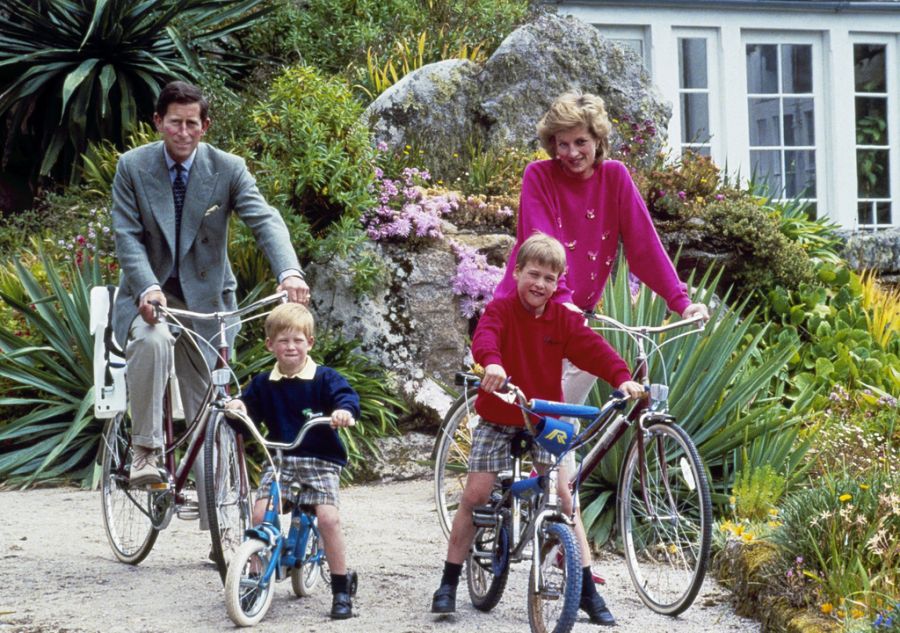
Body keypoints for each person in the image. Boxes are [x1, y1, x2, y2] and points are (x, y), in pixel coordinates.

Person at [430, 233, 644, 626]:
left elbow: (592, 349)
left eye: (549, 278)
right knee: (476, 494)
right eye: (533, 274)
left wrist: (622, 377)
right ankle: (449, 580)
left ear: (558, 282)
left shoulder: (562, 319)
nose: (540, 284)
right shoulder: (501, 309)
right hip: (499, 415)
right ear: (516, 273)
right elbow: (486, 338)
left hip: (541, 420)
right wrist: (492, 364)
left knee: (564, 498)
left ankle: (586, 593)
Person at [111, 81, 309, 503]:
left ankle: (216, 518)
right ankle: (145, 451)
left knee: (210, 400)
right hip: (152, 296)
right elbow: (126, 236)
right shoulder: (133, 166)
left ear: (205, 127)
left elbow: (265, 220)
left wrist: (289, 272)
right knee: (151, 339)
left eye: (191, 124)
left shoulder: (228, 168)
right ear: (158, 122)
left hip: (207, 302)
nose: (183, 132)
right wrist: (147, 288)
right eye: (174, 123)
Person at [492, 91, 709, 411]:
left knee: (561, 427)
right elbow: (542, 246)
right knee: (526, 421)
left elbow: (644, 247)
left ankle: (550, 454)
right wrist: (562, 299)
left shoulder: (615, 177)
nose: (571, 152)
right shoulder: (539, 177)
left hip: (573, 319)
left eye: (580, 142)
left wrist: (681, 302)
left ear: (598, 139)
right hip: (529, 311)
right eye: (562, 144)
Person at [225, 303, 360, 619]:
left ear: (310, 343)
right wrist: (238, 409)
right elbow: (249, 414)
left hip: (320, 461)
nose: (291, 347)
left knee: (328, 519)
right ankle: (255, 575)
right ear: (270, 344)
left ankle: (341, 588)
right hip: (282, 460)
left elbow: (346, 397)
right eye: (283, 341)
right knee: (260, 513)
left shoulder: (324, 378)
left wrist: (344, 412)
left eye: (298, 340)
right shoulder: (263, 383)